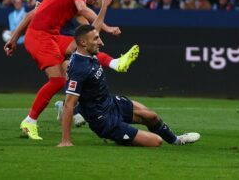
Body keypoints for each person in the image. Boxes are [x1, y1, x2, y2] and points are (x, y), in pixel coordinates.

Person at [3, 0, 134, 140]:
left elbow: (31, 15)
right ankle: (30, 121)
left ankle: (115, 62)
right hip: (39, 36)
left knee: (81, 46)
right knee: (57, 80)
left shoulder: (68, 0)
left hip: (51, 36)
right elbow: (82, 9)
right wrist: (108, 28)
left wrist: (13, 39)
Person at [58, 23, 201, 147]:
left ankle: (177, 140)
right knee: (156, 142)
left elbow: (92, 28)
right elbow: (69, 103)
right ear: (83, 43)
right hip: (104, 121)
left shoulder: (90, 53)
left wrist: (104, 7)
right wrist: (66, 140)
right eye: (96, 39)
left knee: (151, 116)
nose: (101, 42)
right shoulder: (78, 68)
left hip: (111, 103)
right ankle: (118, 137)